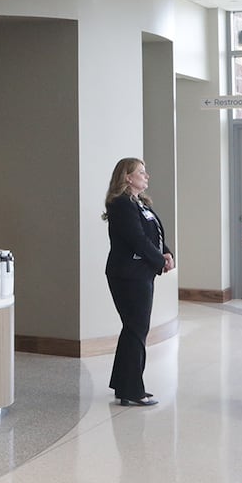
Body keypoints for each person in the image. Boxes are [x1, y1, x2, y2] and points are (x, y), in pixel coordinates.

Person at [103, 157, 174, 407]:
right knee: (136, 329)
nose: (147, 176)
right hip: (128, 274)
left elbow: (152, 234)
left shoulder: (139, 203)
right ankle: (132, 390)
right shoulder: (121, 204)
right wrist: (159, 261)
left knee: (133, 329)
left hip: (140, 272)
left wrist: (166, 253)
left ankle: (123, 384)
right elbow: (137, 239)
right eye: (141, 172)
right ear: (128, 177)